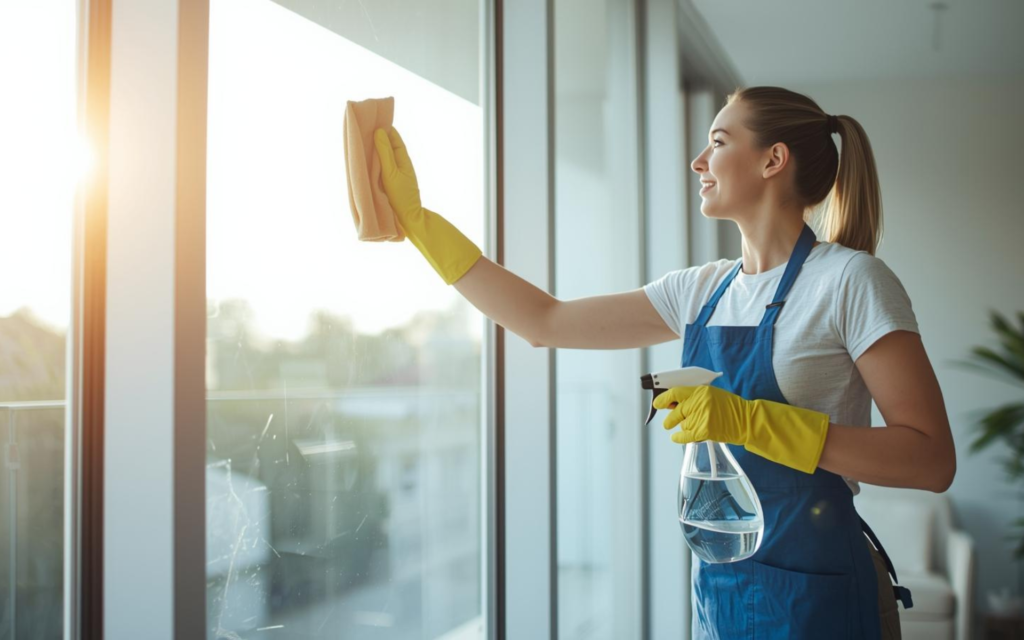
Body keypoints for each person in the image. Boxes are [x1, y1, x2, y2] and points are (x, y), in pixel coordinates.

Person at [372, 85, 956, 640]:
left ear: (773, 159)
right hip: (722, 588)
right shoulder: (702, 290)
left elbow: (931, 460)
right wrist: (421, 224)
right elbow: (542, 322)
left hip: (820, 595)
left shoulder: (851, 281)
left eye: (720, 142)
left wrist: (751, 422)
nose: (700, 161)